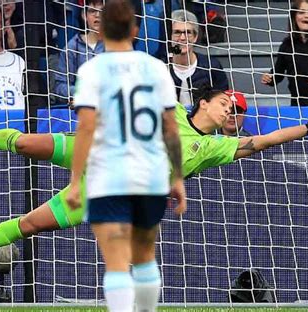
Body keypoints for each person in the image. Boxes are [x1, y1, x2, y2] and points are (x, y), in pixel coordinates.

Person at [0, 88, 308, 283]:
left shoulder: (215, 148)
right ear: (203, 100)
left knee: (28, 227)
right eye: (226, 101)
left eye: (236, 110)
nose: (230, 111)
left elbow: (263, 140)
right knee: (21, 142)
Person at [65, 2, 185, 310]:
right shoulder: (157, 68)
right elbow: (170, 128)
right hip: (150, 175)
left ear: (101, 30)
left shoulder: (91, 69)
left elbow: (86, 126)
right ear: (135, 30)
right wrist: (178, 176)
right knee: (145, 255)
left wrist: (76, 181)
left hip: (109, 176)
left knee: (116, 260)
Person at [168, 9, 228, 107]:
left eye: (188, 32)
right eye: (177, 32)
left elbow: (223, 103)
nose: (182, 38)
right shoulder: (160, 67)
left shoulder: (212, 66)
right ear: (169, 36)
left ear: (195, 37)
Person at [53, 0, 105, 104]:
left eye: (102, 11)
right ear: (84, 16)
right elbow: (59, 88)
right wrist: (83, 92)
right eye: (92, 11)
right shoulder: (71, 48)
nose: (98, 15)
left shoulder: (115, 46)